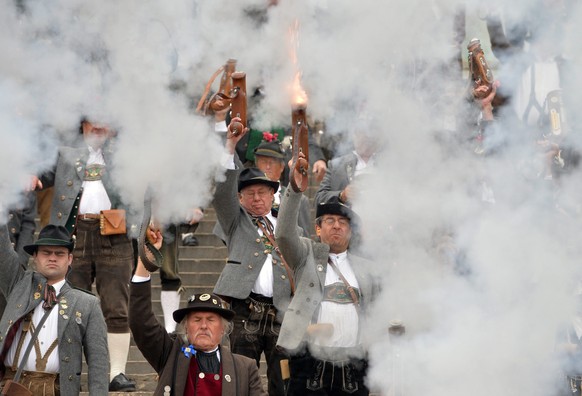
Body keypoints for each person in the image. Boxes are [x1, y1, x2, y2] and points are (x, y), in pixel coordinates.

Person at [31, 117, 136, 391]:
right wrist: (30, 175)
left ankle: (116, 373)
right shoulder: (66, 153)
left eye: (105, 121)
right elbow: (42, 171)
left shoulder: (124, 155)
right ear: (83, 125)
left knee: (116, 305)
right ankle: (67, 370)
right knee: (68, 305)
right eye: (93, 122)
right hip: (72, 235)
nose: (99, 127)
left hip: (116, 235)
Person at [276, 160, 379, 395]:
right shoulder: (306, 255)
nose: (337, 226)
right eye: (330, 221)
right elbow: (282, 234)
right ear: (318, 229)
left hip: (354, 363)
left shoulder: (367, 269)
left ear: (351, 232)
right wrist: (294, 189)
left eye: (343, 223)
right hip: (310, 363)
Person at [211, 118, 294, 395]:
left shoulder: (286, 224)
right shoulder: (235, 220)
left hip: (281, 311)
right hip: (245, 310)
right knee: (240, 378)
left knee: (283, 381)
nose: (257, 198)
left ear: (273, 195)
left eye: (263, 192)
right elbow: (222, 193)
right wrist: (230, 146)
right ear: (241, 198)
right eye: (250, 193)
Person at [129, 230, 266, 396]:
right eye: (196, 319)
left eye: (211, 320)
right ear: (186, 327)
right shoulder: (171, 355)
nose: (203, 325)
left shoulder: (245, 367)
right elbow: (141, 322)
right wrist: (145, 263)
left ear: (223, 329)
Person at [0, 223, 109, 394]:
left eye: (59, 253)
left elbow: (98, 363)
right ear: (35, 256)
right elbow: (2, 251)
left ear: (70, 259)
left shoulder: (87, 303)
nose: (52, 257)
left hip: (56, 389)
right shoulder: (18, 285)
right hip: (11, 386)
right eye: (46, 252)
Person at [253, 139, 312, 237]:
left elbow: (304, 239)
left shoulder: (300, 201)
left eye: (272, 162)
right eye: (263, 162)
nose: (267, 167)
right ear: (256, 165)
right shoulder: (247, 197)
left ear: (282, 167)